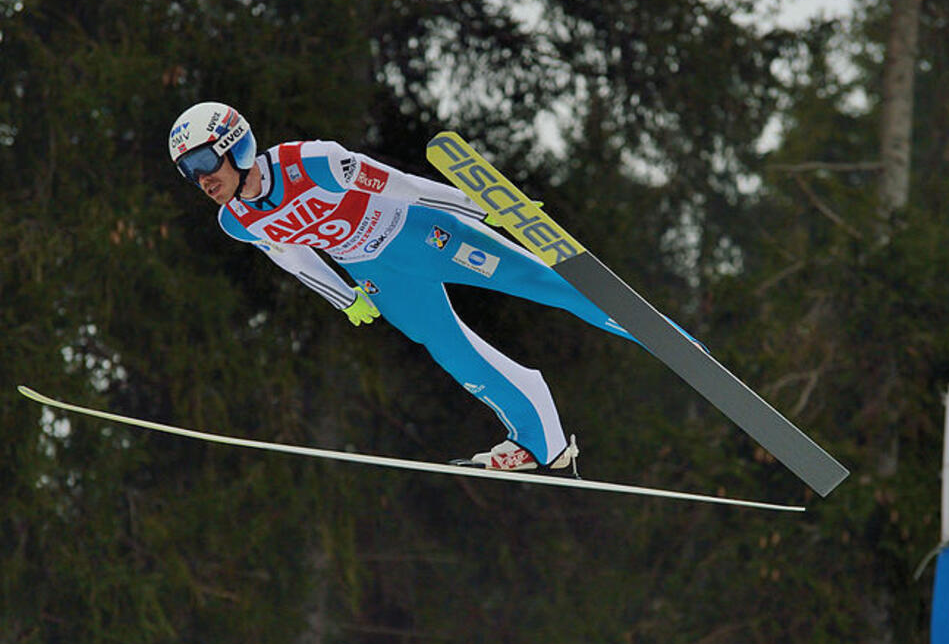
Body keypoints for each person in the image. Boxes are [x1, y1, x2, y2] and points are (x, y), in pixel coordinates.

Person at [168, 101, 698, 473]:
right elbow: (291, 256)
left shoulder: (314, 163)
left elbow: (401, 185)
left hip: (422, 235)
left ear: (235, 147)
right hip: (377, 275)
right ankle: (542, 440)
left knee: (542, 281)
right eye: (187, 173)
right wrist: (344, 296)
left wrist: (478, 205)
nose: (200, 179)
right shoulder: (237, 220)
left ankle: (674, 343)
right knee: (450, 350)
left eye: (201, 163)